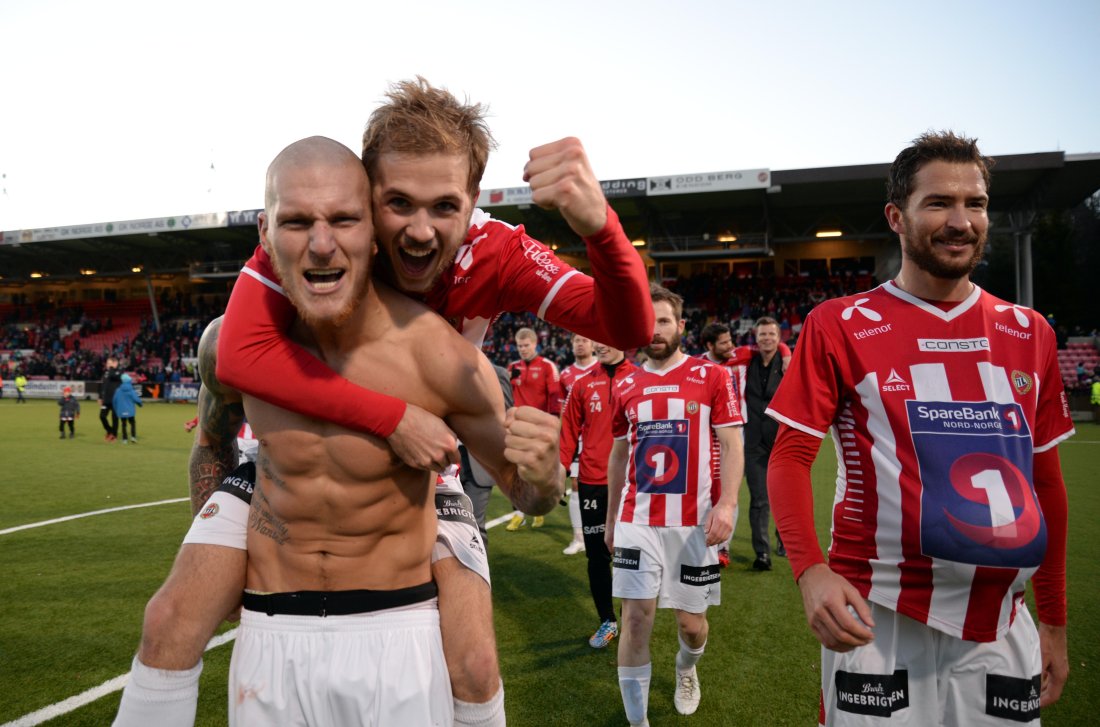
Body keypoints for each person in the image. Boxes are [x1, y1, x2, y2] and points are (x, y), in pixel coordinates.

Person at [120, 78, 651, 727]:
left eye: (444, 207)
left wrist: (600, 228)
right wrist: (392, 418)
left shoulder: (497, 257)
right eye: (398, 203)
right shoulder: (320, 234)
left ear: (474, 202)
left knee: (475, 663)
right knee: (169, 619)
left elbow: (627, 329)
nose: (420, 232)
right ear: (369, 195)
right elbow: (228, 364)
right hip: (293, 454)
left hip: (432, 455)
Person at [766, 131, 1073, 726]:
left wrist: (1054, 622)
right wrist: (810, 570)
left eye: (975, 203)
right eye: (938, 203)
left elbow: (1048, 486)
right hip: (877, 617)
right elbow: (789, 458)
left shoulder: (1029, 331)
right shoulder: (839, 324)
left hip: (1002, 623)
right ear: (896, 217)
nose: (961, 221)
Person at [606, 284, 744, 725]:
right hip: (637, 520)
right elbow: (618, 455)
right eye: (648, 322)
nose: (656, 329)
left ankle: (686, 669)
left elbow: (732, 443)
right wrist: (610, 520)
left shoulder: (712, 376)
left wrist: (727, 505)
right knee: (635, 621)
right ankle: (638, 722)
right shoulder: (624, 381)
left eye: (664, 320)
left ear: (681, 325)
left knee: (691, 625)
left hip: (694, 523)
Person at [560, 340, 637, 648]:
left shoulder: (640, 378)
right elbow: (568, 429)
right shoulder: (581, 384)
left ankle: (632, 620)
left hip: (632, 481)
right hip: (593, 479)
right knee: (597, 555)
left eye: (607, 339)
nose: (600, 345)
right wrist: (561, 469)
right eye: (596, 339)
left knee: (631, 554)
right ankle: (608, 620)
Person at [732, 316, 785, 570]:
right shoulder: (747, 362)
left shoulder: (788, 364)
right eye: (762, 334)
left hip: (782, 441)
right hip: (753, 442)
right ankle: (762, 553)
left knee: (785, 497)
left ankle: (784, 540)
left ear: (779, 338)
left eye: (771, 334)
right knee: (759, 499)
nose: (767, 339)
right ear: (756, 337)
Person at [506, 327, 562, 531]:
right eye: (519, 346)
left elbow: (555, 398)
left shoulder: (547, 366)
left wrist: (554, 426)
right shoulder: (513, 367)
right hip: (517, 427)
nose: (523, 349)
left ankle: (538, 511)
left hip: (539, 428)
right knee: (515, 471)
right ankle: (518, 514)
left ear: (535, 344)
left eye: (526, 345)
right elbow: (506, 395)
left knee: (536, 471)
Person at [560, 333, 599, 554]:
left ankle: (611, 531)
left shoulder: (602, 368)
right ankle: (579, 537)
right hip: (577, 438)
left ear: (593, 344)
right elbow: (563, 412)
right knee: (575, 484)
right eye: (576, 340)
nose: (580, 344)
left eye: (585, 340)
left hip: (601, 437)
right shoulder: (566, 374)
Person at [113, 373, 143, 443]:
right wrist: (140, 404)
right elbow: (136, 399)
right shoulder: (131, 390)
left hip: (121, 410)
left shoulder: (118, 390)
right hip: (130, 410)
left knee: (123, 424)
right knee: (132, 423)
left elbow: (114, 401)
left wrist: (116, 409)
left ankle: (125, 439)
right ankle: (133, 437)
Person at [99, 356, 121, 440]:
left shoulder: (119, 372)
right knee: (102, 416)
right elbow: (103, 385)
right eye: (107, 363)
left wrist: (112, 368)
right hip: (106, 399)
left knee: (114, 418)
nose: (107, 365)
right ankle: (109, 430)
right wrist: (100, 397)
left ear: (115, 363)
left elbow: (113, 376)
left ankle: (114, 435)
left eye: (109, 363)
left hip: (116, 399)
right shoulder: (106, 373)